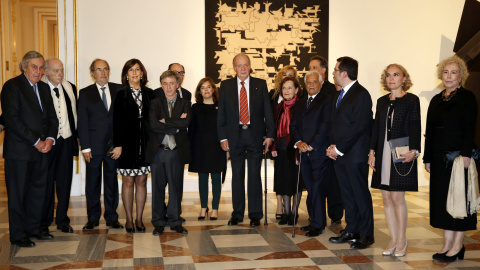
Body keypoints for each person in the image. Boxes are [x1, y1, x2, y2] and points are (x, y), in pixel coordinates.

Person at [1, 51, 58, 247]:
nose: (39, 71)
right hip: (20, 152)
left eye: (41, 67)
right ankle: (18, 235)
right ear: (24, 66)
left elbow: (52, 117)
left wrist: (50, 139)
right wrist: (36, 141)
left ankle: (34, 229)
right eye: (34, 67)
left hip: (42, 151)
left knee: (37, 192)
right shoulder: (11, 87)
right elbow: (12, 120)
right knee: (18, 195)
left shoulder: (44, 88)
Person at [424, 56, 478, 262]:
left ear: (461, 75)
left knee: (459, 202)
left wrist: (465, 155)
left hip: (458, 158)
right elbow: (429, 131)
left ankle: (458, 245)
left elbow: (469, 129)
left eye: (453, 72)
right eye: (445, 72)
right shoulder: (437, 99)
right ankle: (446, 244)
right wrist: (427, 158)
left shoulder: (467, 97)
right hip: (438, 159)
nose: (448, 76)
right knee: (442, 202)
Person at [368, 64, 421, 257]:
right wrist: (372, 152)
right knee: (386, 198)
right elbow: (376, 128)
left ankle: (401, 240)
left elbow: (415, 125)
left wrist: (415, 150)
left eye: (396, 75)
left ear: (404, 78)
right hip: (382, 153)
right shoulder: (382, 101)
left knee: (398, 198)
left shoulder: (411, 100)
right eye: (388, 75)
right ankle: (392, 239)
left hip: (401, 154)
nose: (392, 78)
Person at [217, 53, 275, 227]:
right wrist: (223, 137)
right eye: (239, 65)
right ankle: (237, 214)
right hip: (235, 136)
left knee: (254, 175)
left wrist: (270, 134)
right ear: (234, 68)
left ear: (250, 66)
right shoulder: (226, 86)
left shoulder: (260, 84)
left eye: (245, 65)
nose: (243, 68)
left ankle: (256, 214)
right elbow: (222, 115)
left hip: (255, 135)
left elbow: (268, 112)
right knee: (237, 175)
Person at [327, 56, 374, 249]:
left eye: (335, 70)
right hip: (341, 155)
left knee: (360, 195)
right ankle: (351, 229)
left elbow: (358, 126)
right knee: (347, 195)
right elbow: (337, 124)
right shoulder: (342, 94)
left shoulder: (361, 94)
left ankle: (366, 235)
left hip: (354, 156)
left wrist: (338, 148)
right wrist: (332, 147)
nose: (333, 73)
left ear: (344, 73)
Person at [77, 59, 123, 230]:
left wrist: (120, 144)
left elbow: (123, 120)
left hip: (113, 147)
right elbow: (82, 122)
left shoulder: (119, 90)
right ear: (92, 73)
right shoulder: (85, 93)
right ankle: (93, 217)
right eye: (99, 69)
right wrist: (85, 147)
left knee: (111, 182)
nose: (103, 72)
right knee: (93, 183)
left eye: (105, 69)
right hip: (93, 147)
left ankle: (112, 217)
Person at [112, 59, 155, 233]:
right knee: (128, 181)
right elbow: (116, 122)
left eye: (137, 69)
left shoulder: (150, 93)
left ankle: (139, 219)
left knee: (142, 180)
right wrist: (118, 145)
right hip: (126, 144)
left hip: (145, 143)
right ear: (126, 74)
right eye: (131, 70)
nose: (135, 73)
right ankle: (129, 219)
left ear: (142, 73)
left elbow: (153, 120)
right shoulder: (120, 93)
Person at [147, 70, 191, 235]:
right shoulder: (155, 103)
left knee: (175, 188)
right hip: (158, 152)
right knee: (157, 188)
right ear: (161, 85)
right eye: (165, 83)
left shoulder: (185, 103)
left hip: (176, 152)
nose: (168, 87)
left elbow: (186, 122)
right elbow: (153, 125)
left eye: (171, 83)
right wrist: (176, 123)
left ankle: (175, 221)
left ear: (178, 84)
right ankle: (158, 221)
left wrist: (164, 121)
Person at [290, 71, 333, 236]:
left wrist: (311, 144)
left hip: (319, 153)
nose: (311, 85)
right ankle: (314, 221)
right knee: (310, 189)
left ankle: (318, 224)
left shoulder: (327, 101)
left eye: (315, 82)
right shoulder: (300, 103)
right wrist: (298, 143)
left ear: (321, 83)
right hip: (303, 153)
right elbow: (293, 126)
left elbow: (325, 126)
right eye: (308, 82)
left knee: (317, 189)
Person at [39, 58, 78, 234]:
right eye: (56, 71)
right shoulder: (38, 89)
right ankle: (44, 222)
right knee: (46, 183)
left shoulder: (70, 88)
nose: (60, 74)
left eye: (61, 70)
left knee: (64, 182)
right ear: (46, 71)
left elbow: (73, 115)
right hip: (47, 142)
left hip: (66, 140)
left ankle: (62, 220)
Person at [308, 55, 344, 226]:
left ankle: (335, 215)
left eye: (314, 67)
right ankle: (316, 216)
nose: (311, 71)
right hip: (316, 147)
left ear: (323, 70)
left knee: (334, 184)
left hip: (332, 145)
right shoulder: (309, 90)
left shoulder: (333, 90)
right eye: (309, 68)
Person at [188, 77, 227, 220]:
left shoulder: (221, 107)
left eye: (208, 87)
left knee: (216, 178)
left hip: (217, 147)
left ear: (213, 89)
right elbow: (191, 130)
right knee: (202, 178)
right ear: (199, 91)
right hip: (200, 148)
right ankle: (203, 207)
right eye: (202, 87)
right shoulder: (195, 108)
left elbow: (225, 127)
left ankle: (215, 208)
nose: (206, 90)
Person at [271, 76, 302, 226]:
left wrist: (298, 151)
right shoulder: (279, 108)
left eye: (290, 88)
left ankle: (294, 212)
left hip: (294, 149)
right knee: (282, 182)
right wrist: (274, 146)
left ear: (296, 90)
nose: (286, 91)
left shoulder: (301, 107)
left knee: (294, 181)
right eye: (284, 88)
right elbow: (275, 129)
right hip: (281, 149)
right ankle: (286, 212)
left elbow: (302, 131)